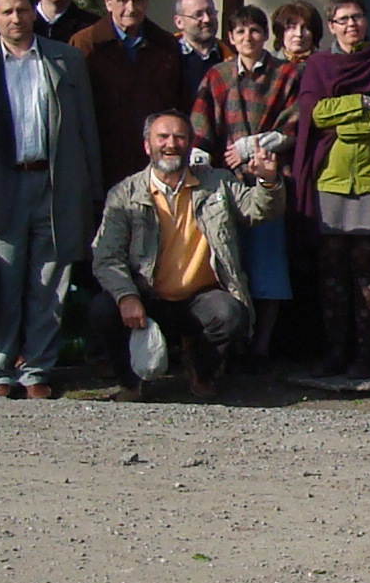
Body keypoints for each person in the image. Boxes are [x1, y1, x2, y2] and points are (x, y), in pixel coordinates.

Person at [0, 0, 104, 400]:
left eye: (22, 10)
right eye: (7, 12)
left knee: (48, 285)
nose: (16, 18)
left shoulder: (65, 60)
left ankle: (36, 369)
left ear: (32, 11)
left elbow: (85, 127)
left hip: (55, 185)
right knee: (0, 281)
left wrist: (90, 190)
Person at [86, 110, 277, 396]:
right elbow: (106, 257)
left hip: (199, 299)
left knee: (230, 314)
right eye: (162, 137)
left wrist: (268, 182)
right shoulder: (124, 194)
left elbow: (258, 210)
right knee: (103, 309)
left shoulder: (218, 182)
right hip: (145, 297)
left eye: (180, 137)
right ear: (147, 145)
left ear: (190, 145)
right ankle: (130, 381)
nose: (171, 144)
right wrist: (126, 296)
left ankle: (202, 373)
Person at [287, 0, 370, 378]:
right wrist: (362, 102)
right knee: (332, 273)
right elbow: (314, 113)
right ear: (332, 26)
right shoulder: (319, 64)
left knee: (369, 271)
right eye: (342, 19)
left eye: (357, 16)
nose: (351, 24)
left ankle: (365, 355)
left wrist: (346, 117)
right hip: (331, 180)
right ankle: (335, 351)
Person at [192, 3, 300, 363]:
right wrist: (206, 161)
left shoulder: (286, 74)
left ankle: (261, 348)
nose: (248, 38)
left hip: (269, 182)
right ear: (231, 37)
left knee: (269, 270)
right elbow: (200, 128)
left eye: (254, 30)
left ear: (265, 35)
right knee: (227, 264)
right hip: (225, 185)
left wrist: (250, 149)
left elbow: (294, 127)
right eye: (240, 32)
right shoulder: (217, 76)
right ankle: (231, 346)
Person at [72, 0, 183, 193]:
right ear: (107, 2)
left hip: (152, 162)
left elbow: (178, 102)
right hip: (102, 162)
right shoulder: (85, 44)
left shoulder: (166, 46)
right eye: (122, 0)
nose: (131, 8)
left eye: (138, 0)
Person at [172, 0, 222, 108]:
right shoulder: (166, 57)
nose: (207, 19)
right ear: (179, 22)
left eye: (210, 12)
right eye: (198, 15)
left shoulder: (229, 58)